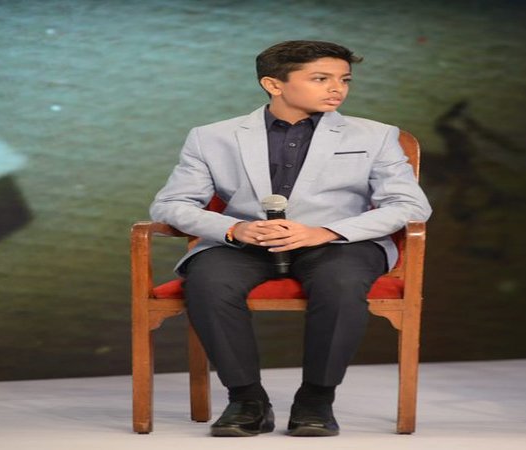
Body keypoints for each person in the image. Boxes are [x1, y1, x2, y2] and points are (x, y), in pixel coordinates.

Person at [150, 40, 431, 437]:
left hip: (338, 243)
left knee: (341, 282)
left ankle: (316, 399)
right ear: (273, 84)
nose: (337, 88)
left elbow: (410, 206)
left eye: (344, 79)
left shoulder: (377, 135)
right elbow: (169, 205)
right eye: (321, 79)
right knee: (208, 281)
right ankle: (247, 400)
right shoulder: (212, 137)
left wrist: (326, 232)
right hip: (247, 243)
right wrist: (233, 229)